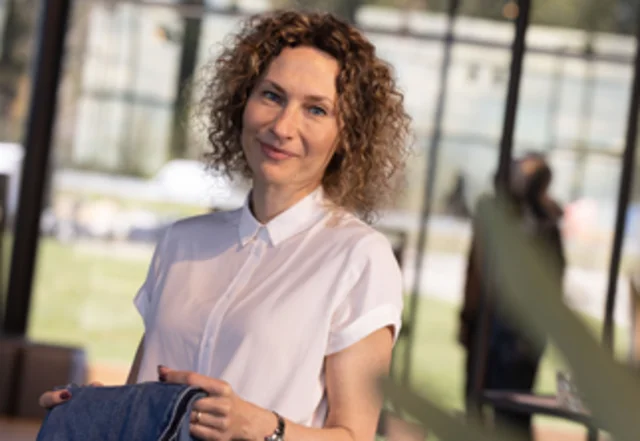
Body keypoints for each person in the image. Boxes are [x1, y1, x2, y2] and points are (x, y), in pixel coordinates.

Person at [39, 9, 412, 441]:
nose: (282, 126)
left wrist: (264, 428)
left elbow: (354, 436)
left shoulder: (359, 257)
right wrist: (91, 412)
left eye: (316, 109)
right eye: (271, 95)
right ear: (242, 101)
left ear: (347, 134)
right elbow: (143, 403)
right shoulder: (182, 243)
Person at [459, 152, 565, 440]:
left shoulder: (545, 222)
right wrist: (468, 317)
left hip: (521, 329)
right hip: (489, 320)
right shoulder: (493, 216)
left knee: (513, 412)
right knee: (477, 403)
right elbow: (476, 271)